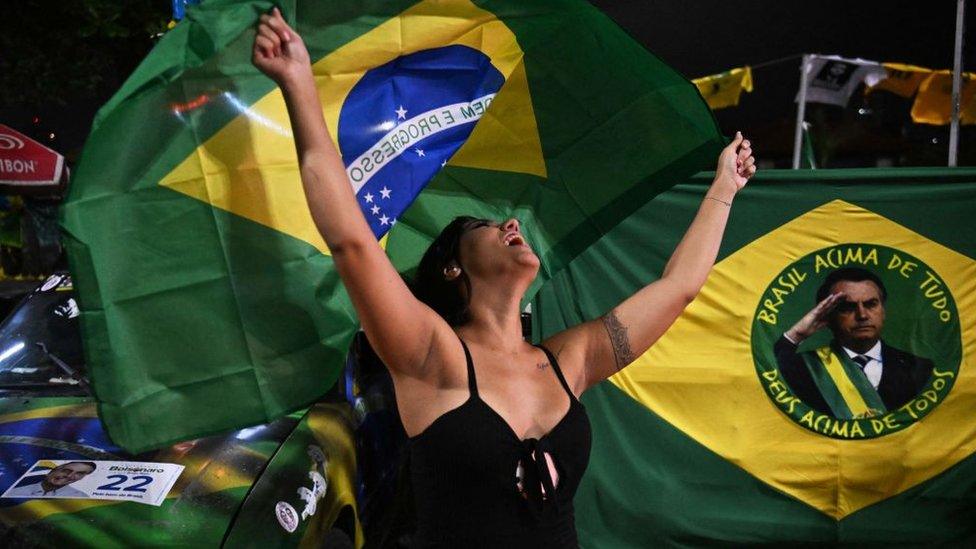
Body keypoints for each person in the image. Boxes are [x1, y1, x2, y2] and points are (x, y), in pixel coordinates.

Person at [253, 8, 755, 547]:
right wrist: (299, 83)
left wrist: (724, 187)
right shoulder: (430, 356)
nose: (511, 224)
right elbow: (351, 241)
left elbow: (677, 288)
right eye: (486, 225)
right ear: (452, 266)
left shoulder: (570, 360)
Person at [774, 267, 933, 419]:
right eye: (848, 307)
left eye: (871, 304)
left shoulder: (920, 368)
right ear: (828, 315)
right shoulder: (805, 368)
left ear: (883, 311)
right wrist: (797, 334)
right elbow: (765, 378)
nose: (862, 315)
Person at [4, 461, 95, 498]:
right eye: (66, 471)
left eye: (79, 473)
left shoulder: (80, 497)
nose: (69, 476)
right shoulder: (14, 492)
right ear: (52, 471)